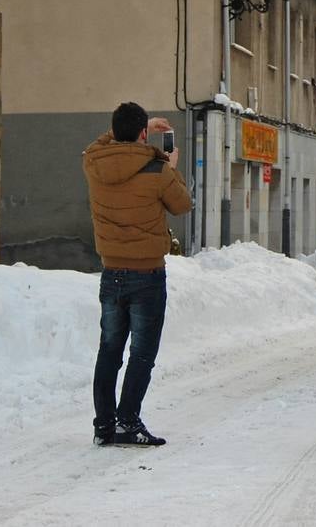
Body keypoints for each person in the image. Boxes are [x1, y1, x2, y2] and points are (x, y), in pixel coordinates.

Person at [83, 101, 191, 447]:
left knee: (109, 351)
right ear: (144, 134)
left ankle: (104, 425)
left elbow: (101, 145)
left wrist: (135, 129)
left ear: (114, 130)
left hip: (110, 270)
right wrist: (171, 167)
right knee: (141, 353)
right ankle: (127, 420)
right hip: (147, 274)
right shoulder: (157, 170)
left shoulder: (93, 163)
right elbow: (182, 205)